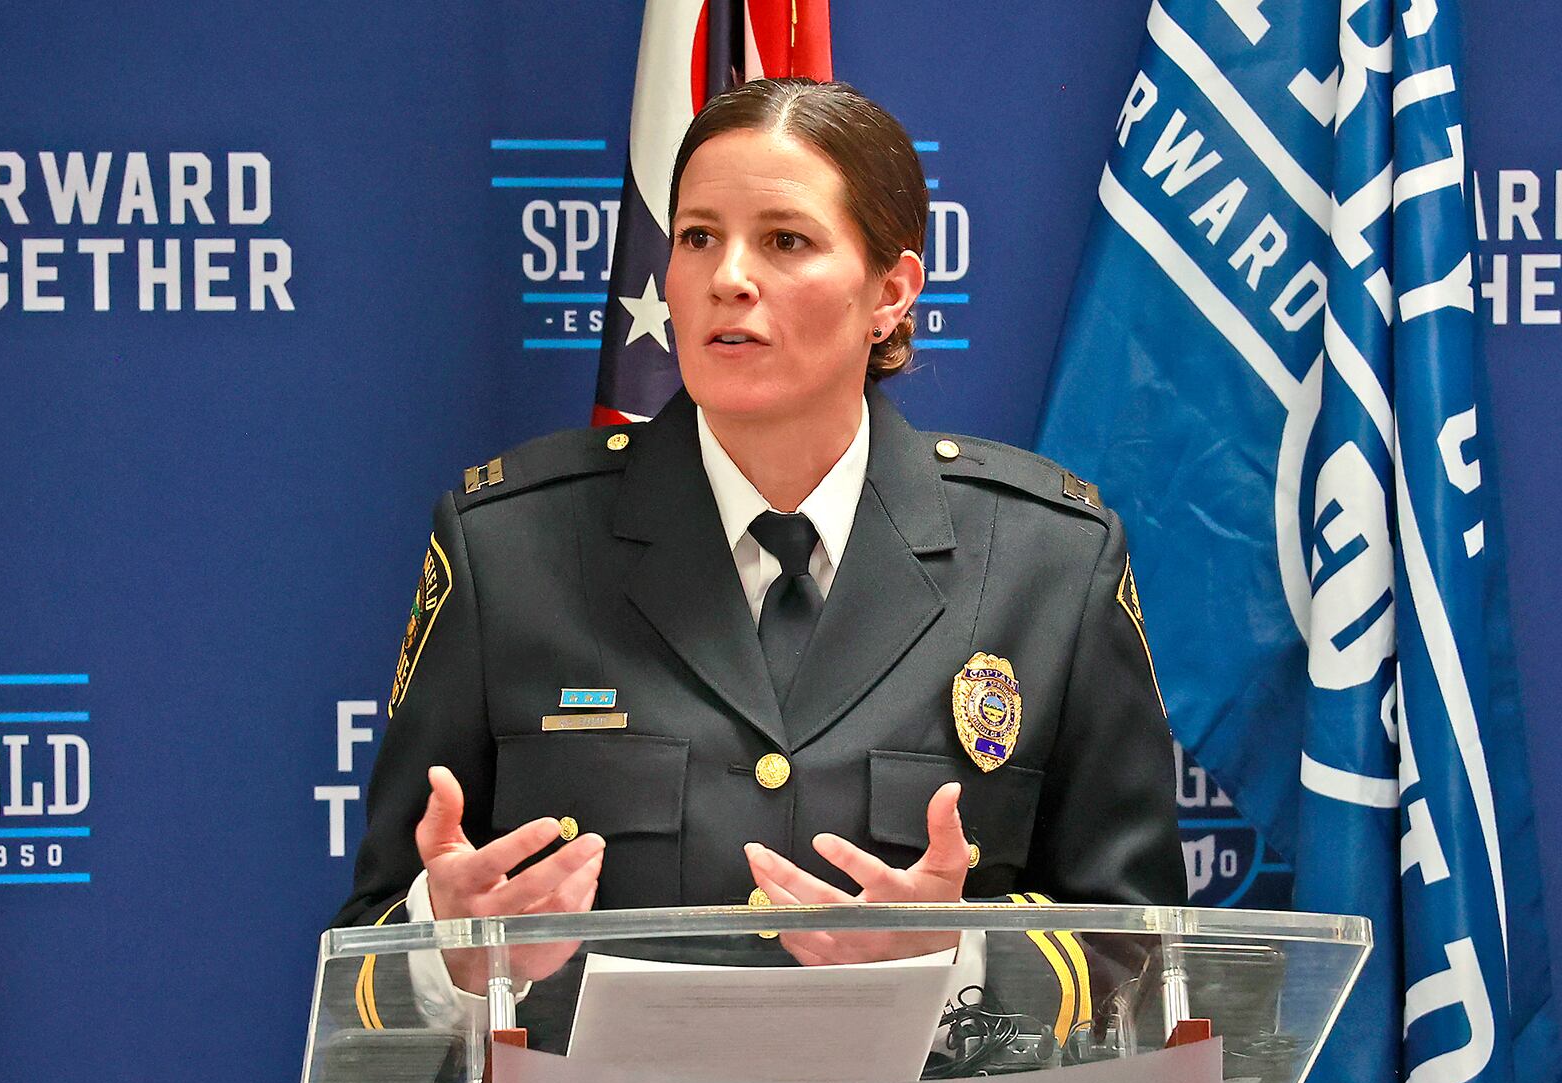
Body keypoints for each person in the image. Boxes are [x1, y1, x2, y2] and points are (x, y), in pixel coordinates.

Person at [333, 78, 1184, 1022]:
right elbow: (371, 948)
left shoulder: (1047, 559)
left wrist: (956, 954)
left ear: (891, 293)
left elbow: (1145, 948)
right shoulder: (509, 545)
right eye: (697, 237)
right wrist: (446, 953)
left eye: (785, 240)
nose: (726, 276)